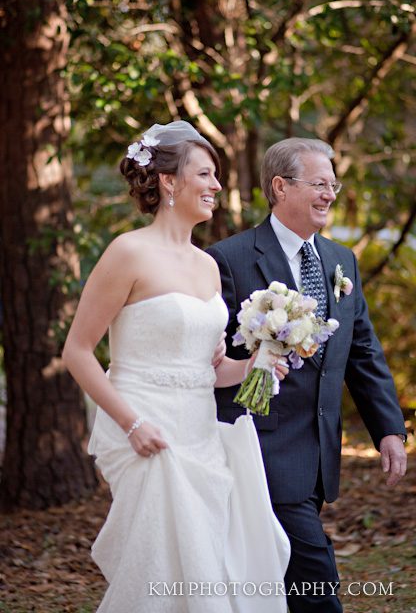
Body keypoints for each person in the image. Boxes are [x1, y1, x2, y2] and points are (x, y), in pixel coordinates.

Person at [62, 121, 291, 613]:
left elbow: (210, 370)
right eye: (205, 174)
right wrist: (133, 424)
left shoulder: (207, 265)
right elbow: (77, 351)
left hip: (201, 432)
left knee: (207, 567)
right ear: (168, 181)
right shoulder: (128, 252)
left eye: (216, 176)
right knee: (162, 569)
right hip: (147, 429)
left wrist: (255, 364)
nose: (216, 186)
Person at [207, 137, 407, 613]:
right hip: (261, 449)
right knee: (316, 578)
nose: (330, 194)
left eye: (333, 185)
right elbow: (210, 359)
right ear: (280, 187)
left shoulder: (341, 261)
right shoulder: (228, 259)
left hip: (318, 452)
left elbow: (362, 351)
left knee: (279, 580)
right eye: (319, 184)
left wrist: (389, 429)